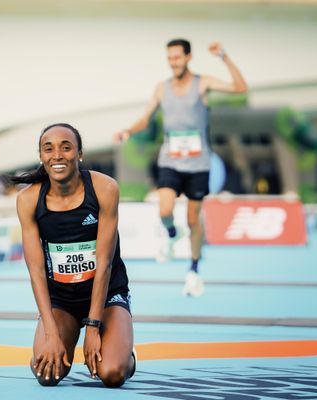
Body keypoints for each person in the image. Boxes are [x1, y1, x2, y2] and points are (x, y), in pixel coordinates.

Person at [115, 39, 248, 297]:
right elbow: (145, 118)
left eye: (177, 57)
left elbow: (240, 87)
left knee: (193, 219)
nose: (173, 62)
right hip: (171, 161)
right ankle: (172, 233)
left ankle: (194, 270)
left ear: (188, 57)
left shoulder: (203, 83)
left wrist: (224, 57)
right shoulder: (161, 89)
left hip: (198, 164)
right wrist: (128, 130)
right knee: (164, 209)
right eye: (170, 58)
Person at [13, 123, 135, 387]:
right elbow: (35, 272)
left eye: (66, 147)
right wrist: (51, 332)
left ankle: (127, 357)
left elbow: (103, 263)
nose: (57, 155)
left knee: (112, 373)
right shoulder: (28, 200)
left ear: (79, 154)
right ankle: (51, 343)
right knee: (47, 375)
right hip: (62, 300)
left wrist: (93, 326)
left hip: (106, 296)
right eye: (49, 149)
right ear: (41, 157)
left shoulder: (104, 188)